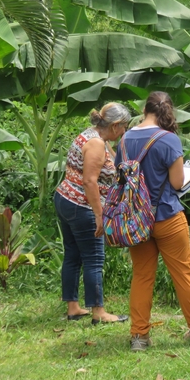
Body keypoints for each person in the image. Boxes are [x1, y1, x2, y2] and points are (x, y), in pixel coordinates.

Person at [116, 91, 190, 351]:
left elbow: (120, 178)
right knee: (183, 274)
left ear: (145, 110)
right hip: (166, 215)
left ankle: (139, 337)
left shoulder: (124, 139)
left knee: (142, 276)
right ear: (167, 112)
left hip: (136, 219)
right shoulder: (169, 140)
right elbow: (178, 182)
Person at [54, 102, 131, 325]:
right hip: (82, 206)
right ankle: (98, 312)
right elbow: (90, 181)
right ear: (115, 125)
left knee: (72, 255)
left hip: (65, 199)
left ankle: (73, 308)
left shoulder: (92, 136)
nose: (124, 131)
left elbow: (112, 163)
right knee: (94, 258)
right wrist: (99, 215)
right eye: (124, 126)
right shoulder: (97, 144)